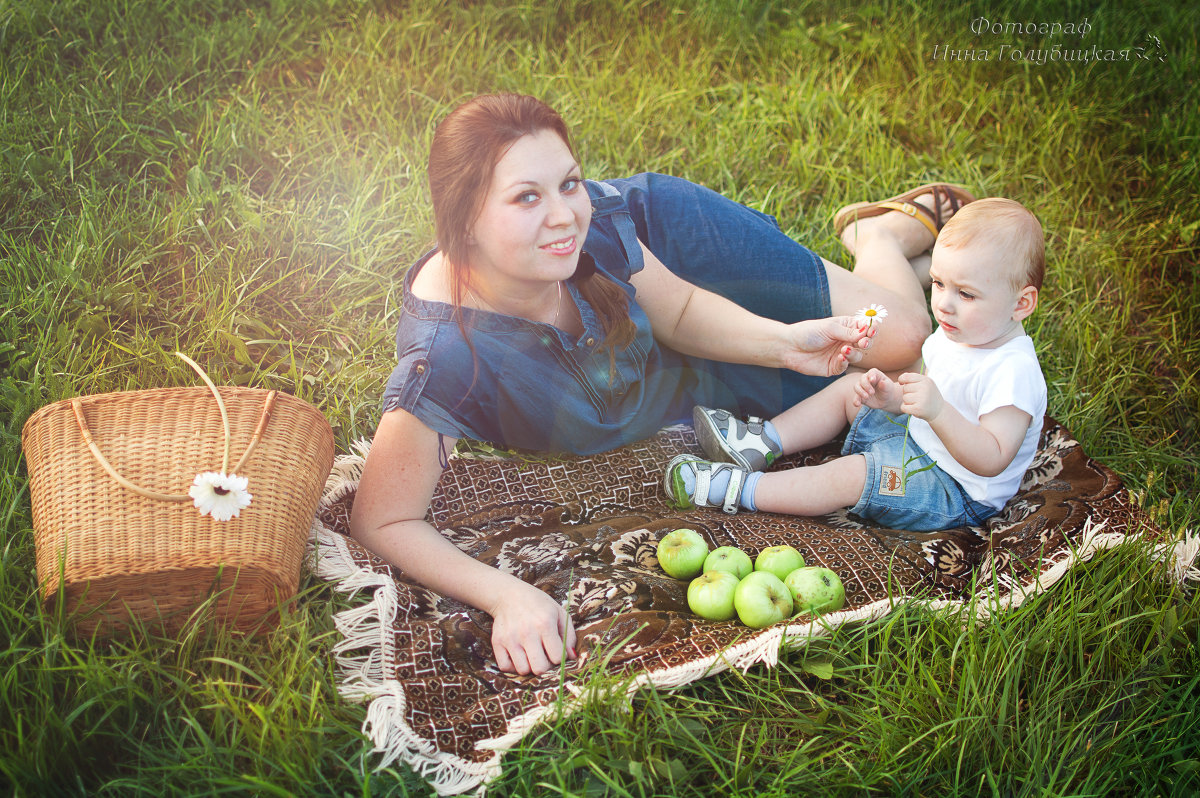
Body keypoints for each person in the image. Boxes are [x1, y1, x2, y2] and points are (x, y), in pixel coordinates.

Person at [350, 92, 973, 675]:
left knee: (904, 342)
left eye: (569, 183)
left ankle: (879, 234)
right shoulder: (448, 354)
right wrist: (508, 596)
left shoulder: (595, 226)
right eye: (525, 198)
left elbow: (676, 312)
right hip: (668, 379)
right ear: (463, 224)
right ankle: (896, 259)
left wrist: (786, 344)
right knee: (872, 380)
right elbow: (383, 519)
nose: (564, 214)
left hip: (680, 245)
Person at [665, 198, 1046, 533]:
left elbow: (992, 458)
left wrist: (938, 411)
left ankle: (737, 490)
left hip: (951, 487)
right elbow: (936, 391)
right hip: (922, 435)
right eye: (938, 283)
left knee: (856, 475)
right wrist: (896, 399)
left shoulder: (1013, 373)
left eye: (966, 293)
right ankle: (760, 441)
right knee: (854, 387)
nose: (944, 303)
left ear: (1021, 304)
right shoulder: (964, 329)